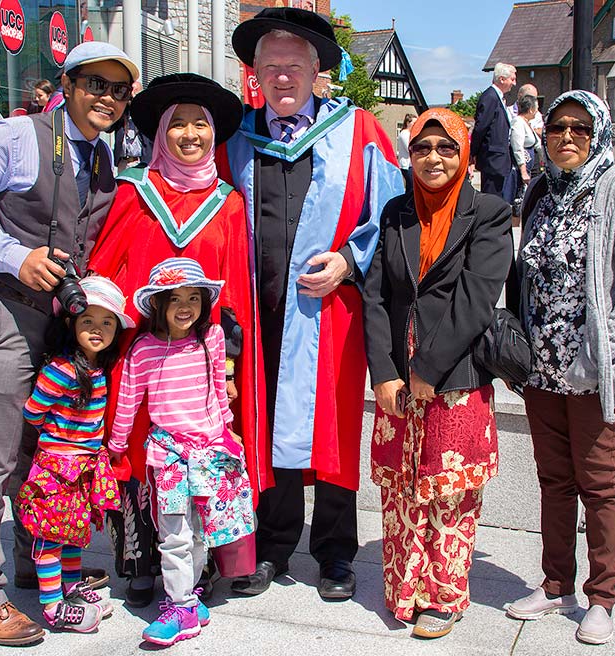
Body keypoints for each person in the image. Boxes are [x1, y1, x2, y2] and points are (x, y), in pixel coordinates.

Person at [0, 41, 137, 646]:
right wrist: (13, 254)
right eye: (95, 84)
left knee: (39, 455)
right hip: (3, 311)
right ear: (68, 84)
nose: (107, 98)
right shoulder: (16, 136)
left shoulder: (102, 156)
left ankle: (33, 561)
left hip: (56, 329)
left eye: (118, 90)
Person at [220, 7, 404, 600]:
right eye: (270, 66)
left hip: (333, 313)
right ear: (256, 73)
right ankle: (272, 547)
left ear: (316, 70)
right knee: (261, 423)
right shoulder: (235, 139)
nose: (281, 77)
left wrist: (350, 262)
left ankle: (334, 555)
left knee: (333, 428)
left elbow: (390, 215)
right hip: (256, 312)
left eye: (293, 66)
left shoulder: (360, 132)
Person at [88, 73, 258, 608]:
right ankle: (140, 558)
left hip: (197, 358)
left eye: (201, 124)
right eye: (178, 124)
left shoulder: (229, 203)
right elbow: (104, 267)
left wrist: (227, 366)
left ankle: (201, 564)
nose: (191, 134)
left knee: (199, 457)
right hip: (140, 353)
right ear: (161, 133)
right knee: (138, 452)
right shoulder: (134, 191)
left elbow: (232, 293)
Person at [506, 90, 615, 645]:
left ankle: (602, 596)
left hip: (595, 375)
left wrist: (603, 350)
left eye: (579, 128)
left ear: (597, 134)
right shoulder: (540, 191)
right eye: (556, 128)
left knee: (598, 483)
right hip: (542, 371)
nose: (567, 137)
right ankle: (555, 585)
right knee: (554, 481)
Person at [363, 108, 512, 639]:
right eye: (423, 148)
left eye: (445, 148)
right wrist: (383, 370)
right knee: (401, 489)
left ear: (463, 154)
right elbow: (376, 295)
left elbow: (477, 296)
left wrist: (428, 367)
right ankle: (405, 588)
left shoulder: (489, 214)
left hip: (455, 377)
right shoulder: (396, 212)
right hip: (397, 380)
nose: (433, 158)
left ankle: (445, 595)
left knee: (448, 491)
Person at [109, 257, 254, 646]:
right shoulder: (143, 349)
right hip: (169, 456)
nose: (186, 307)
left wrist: (228, 430)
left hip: (209, 453)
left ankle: (188, 599)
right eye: (175, 299)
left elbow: (218, 392)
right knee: (174, 533)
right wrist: (117, 445)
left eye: (194, 297)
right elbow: (127, 400)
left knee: (201, 534)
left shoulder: (211, 338)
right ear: (158, 304)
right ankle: (180, 607)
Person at [15, 277, 134, 632]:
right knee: (51, 537)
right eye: (88, 321)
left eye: (107, 322)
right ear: (71, 324)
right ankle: (53, 606)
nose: (97, 329)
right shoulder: (62, 370)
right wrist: (59, 442)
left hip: (83, 468)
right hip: (56, 469)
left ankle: (71, 588)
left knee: (73, 533)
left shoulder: (98, 370)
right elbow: (33, 411)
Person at [471, 62, 517, 200]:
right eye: (512, 79)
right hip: (493, 160)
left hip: (499, 160)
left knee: (498, 199)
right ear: (502, 79)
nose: (514, 83)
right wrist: (473, 153)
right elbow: (481, 127)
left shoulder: (498, 98)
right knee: (491, 199)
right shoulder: (490, 97)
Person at [510, 94, 542, 220]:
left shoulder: (527, 123)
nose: (537, 111)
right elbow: (517, 147)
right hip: (523, 166)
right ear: (531, 109)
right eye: (537, 108)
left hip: (533, 165)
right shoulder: (518, 122)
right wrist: (523, 171)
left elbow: (537, 144)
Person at [113, 81, 152, 172]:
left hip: (141, 162)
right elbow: (108, 128)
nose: (131, 97)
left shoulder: (146, 113)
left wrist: (138, 102)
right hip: (123, 162)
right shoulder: (122, 113)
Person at [397, 113, 416, 190]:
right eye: (414, 123)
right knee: (412, 187)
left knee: (409, 187)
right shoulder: (405, 134)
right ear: (408, 123)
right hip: (407, 165)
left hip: (410, 165)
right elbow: (409, 148)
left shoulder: (409, 134)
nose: (415, 125)